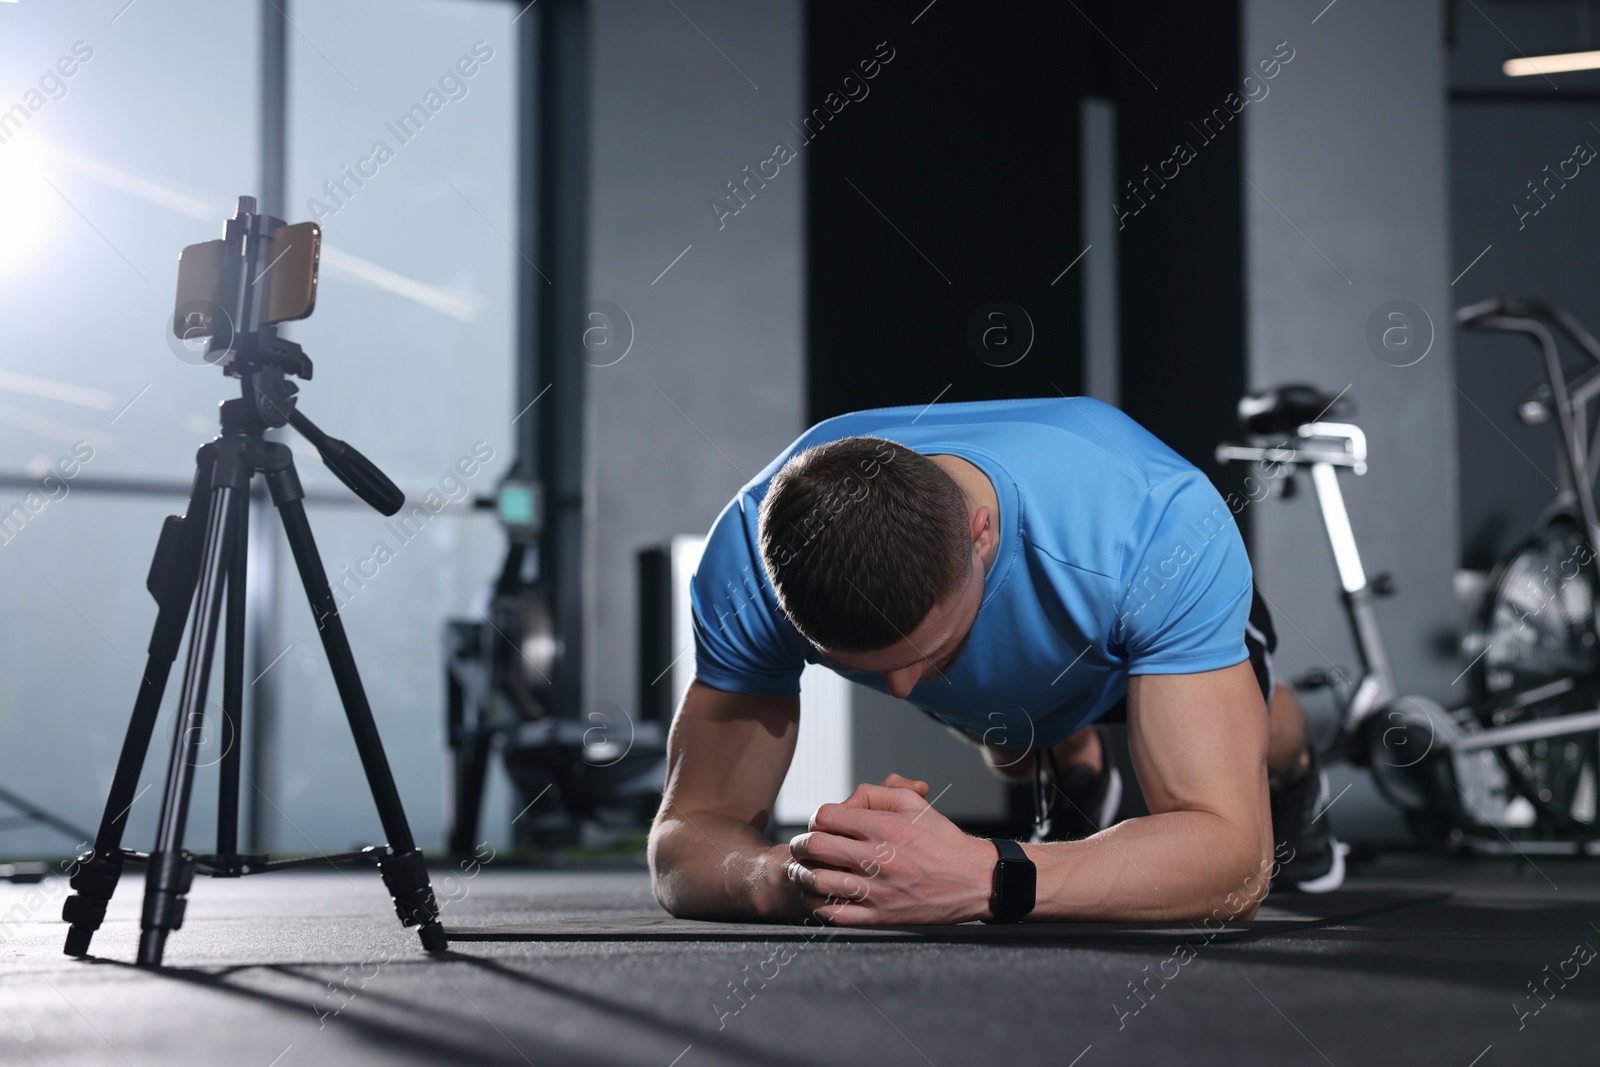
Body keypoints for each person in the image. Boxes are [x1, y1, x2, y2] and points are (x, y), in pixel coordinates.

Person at [648, 396, 1343, 926]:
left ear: (982, 536)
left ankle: (1296, 766)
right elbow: (683, 838)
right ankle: (1072, 766)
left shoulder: (1154, 528)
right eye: (865, 666)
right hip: (1028, 681)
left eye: (928, 648)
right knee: (1005, 730)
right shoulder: (750, 560)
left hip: (1129, 624)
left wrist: (989, 873)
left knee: (1261, 735)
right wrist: (789, 874)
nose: (902, 687)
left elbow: (1234, 863)